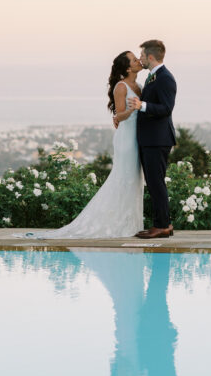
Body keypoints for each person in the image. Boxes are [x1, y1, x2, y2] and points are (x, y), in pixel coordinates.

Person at [20, 50, 145, 239]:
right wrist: (132, 108)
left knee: (134, 180)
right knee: (123, 179)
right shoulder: (121, 87)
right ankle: (118, 224)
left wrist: (140, 105)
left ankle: (131, 223)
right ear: (128, 68)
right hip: (126, 140)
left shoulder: (139, 85)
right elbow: (119, 115)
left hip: (137, 138)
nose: (138, 61)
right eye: (135, 60)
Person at [128, 39, 177, 239]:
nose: (140, 59)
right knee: (154, 182)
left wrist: (142, 106)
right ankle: (160, 223)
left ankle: (163, 226)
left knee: (156, 183)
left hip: (158, 140)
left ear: (150, 56)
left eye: (141, 56)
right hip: (150, 139)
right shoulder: (153, 77)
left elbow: (166, 109)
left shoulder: (165, 78)